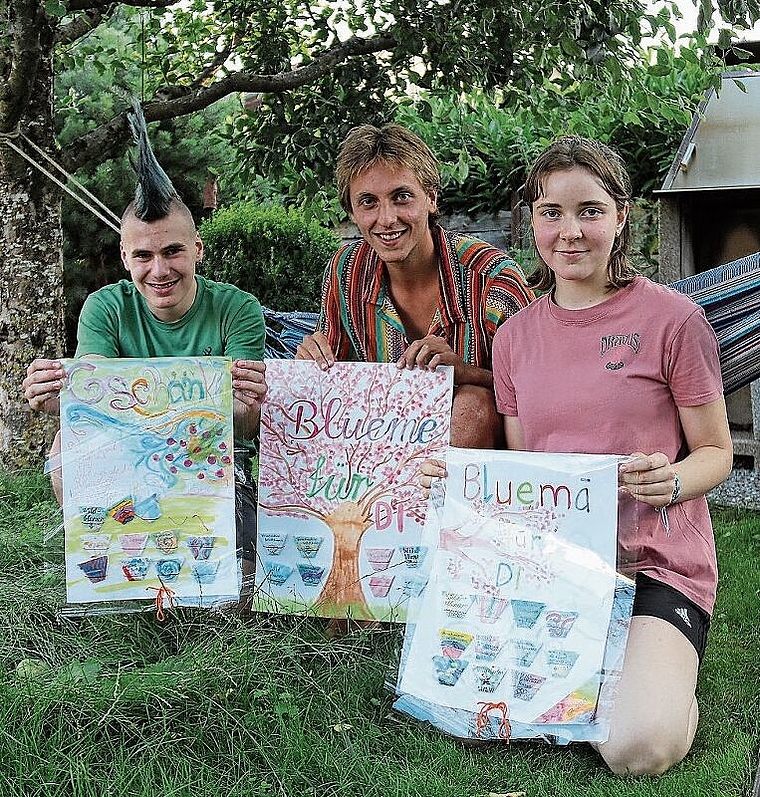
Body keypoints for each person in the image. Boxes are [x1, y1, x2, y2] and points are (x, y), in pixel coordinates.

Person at [422, 136, 732, 775]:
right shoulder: (513, 341)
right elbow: (518, 475)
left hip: (653, 565)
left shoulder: (674, 321)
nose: (570, 232)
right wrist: (453, 477)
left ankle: (656, 675)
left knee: (638, 747)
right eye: (551, 212)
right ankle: (604, 664)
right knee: (458, 709)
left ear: (621, 216)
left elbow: (716, 452)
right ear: (531, 222)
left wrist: (670, 482)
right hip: (553, 570)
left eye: (589, 210)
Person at [22, 102, 267, 580]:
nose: (160, 270)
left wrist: (247, 404)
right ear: (124, 256)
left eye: (173, 251)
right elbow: (92, 412)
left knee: (235, 586)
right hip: (126, 457)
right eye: (144, 255)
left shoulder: (237, 308)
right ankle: (115, 566)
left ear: (196, 248)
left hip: (210, 458)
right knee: (63, 448)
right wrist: (59, 402)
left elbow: (245, 424)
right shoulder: (104, 307)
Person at [296, 123, 534, 448]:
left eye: (401, 197)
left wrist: (464, 373)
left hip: (479, 476)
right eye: (368, 202)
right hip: (381, 454)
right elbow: (335, 388)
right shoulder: (346, 271)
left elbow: (539, 396)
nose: (387, 218)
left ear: (431, 198)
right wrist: (311, 363)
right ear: (352, 212)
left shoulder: (493, 280)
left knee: (472, 402)